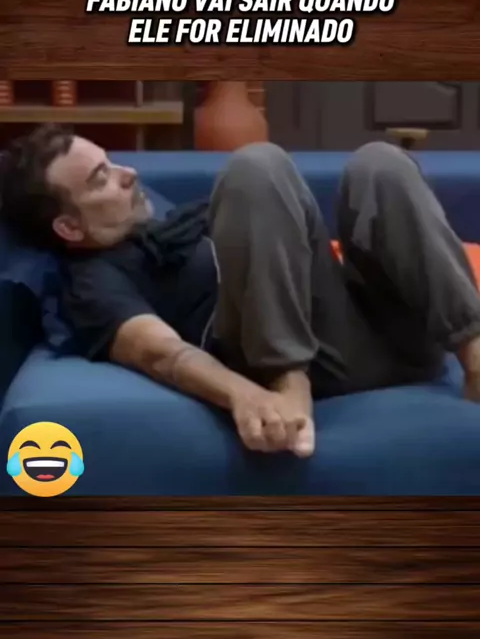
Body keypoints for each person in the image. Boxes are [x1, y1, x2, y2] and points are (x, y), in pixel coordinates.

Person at [1, 124, 480, 460]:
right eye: (101, 178)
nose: (128, 172)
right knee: (256, 164)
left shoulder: (173, 221)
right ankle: (287, 380)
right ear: (69, 226)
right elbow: (158, 353)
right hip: (322, 363)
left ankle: (475, 354)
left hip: (396, 338)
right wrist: (244, 396)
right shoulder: (92, 281)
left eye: (110, 161)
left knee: (380, 162)